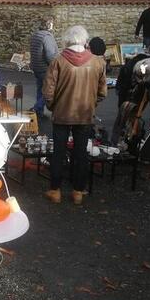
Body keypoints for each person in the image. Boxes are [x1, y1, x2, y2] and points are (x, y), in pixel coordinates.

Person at [42, 25, 107, 205]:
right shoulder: (97, 62)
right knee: (81, 153)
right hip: (85, 114)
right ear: (84, 41)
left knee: (59, 152)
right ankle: (78, 191)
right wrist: (92, 104)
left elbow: (48, 92)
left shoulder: (58, 61)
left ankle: (55, 190)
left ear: (67, 40)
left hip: (62, 114)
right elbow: (103, 91)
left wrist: (54, 106)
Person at [29, 18, 58, 116]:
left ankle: (39, 111)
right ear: (49, 25)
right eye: (52, 24)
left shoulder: (35, 35)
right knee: (49, 91)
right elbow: (50, 55)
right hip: (46, 68)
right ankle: (36, 108)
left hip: (36, 67)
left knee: (40, 89)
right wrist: (55, 65)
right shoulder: (47, 37)